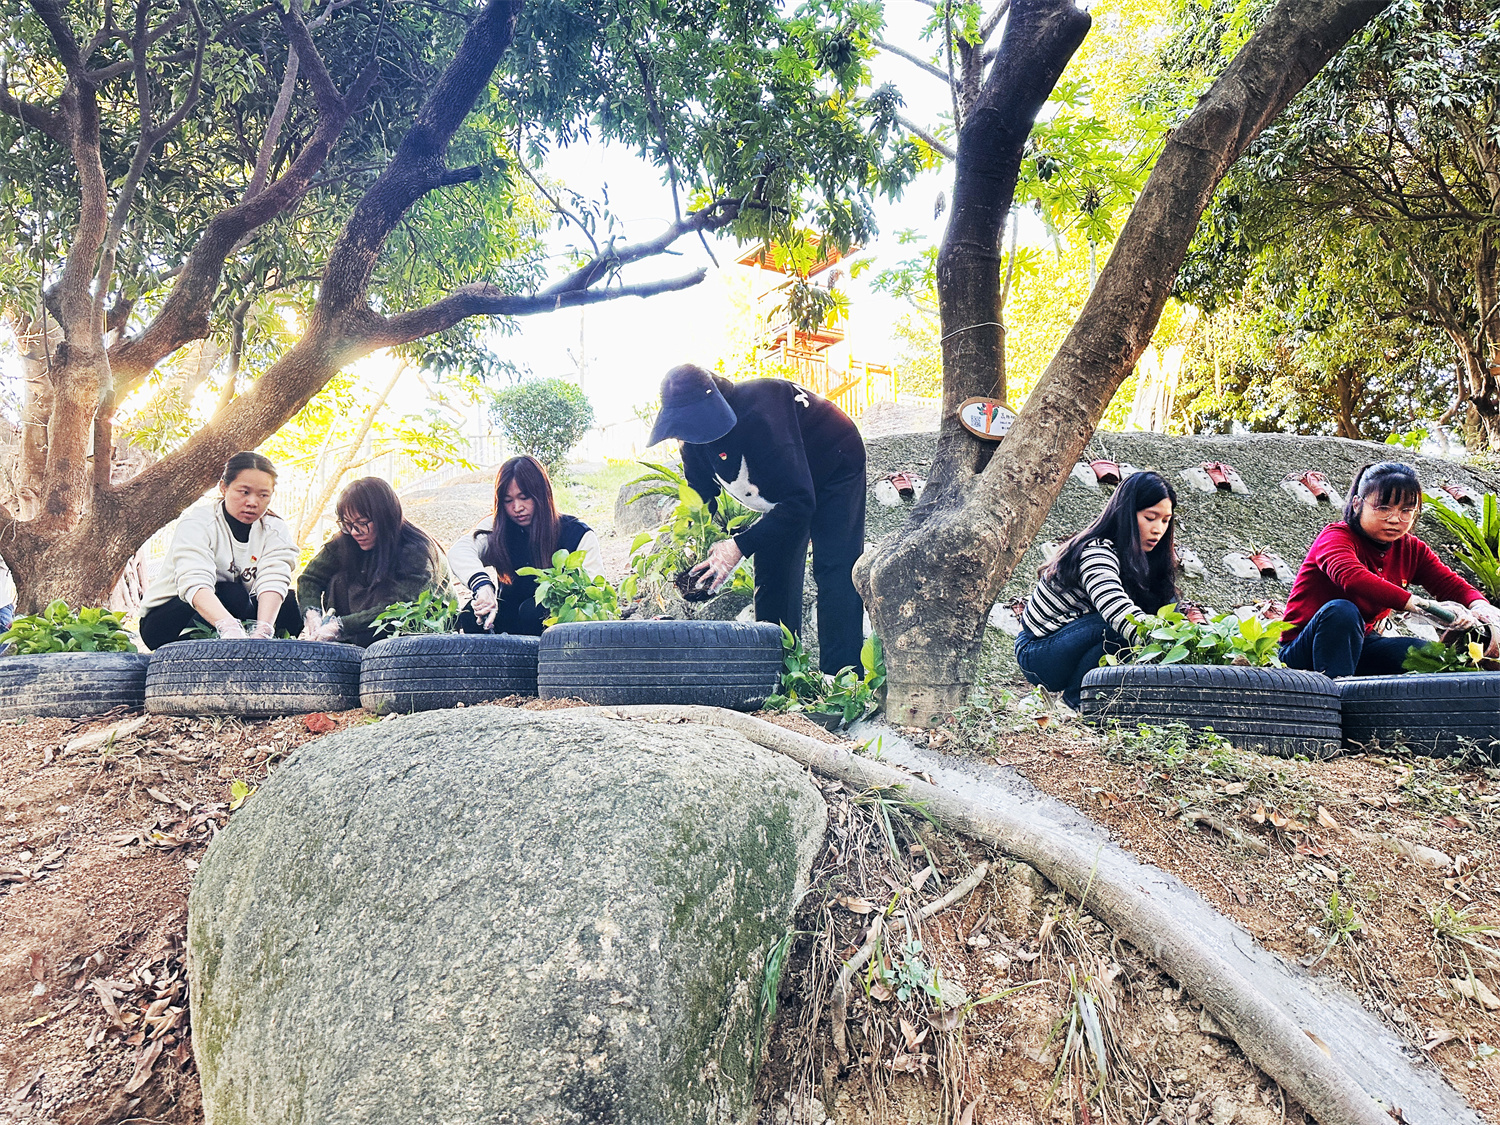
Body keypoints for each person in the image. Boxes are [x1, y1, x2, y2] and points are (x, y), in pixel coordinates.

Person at [648, 364, 867, 674]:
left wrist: (739, 545)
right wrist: (691, 543)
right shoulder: (692, 442)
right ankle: (779, 675)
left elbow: (800, 501)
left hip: (834, 460)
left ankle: (842, 680)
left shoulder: (762, 413)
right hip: (786, 489)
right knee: (772, 574)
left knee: (835, 569)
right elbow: (701, 498)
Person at [1280, 461, 1500, 677]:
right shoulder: (1336, 536)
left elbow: (1449, 584)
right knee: (1341, 611)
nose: (1395, 519)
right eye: (1383, 508)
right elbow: (1352, 577)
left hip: (1361, 645)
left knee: (1429, 657)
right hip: (1304, 650)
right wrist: (1421, 605)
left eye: (1406, 510)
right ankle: (1338, 702)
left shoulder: (1411, 548)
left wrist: (1481, 606)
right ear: (1357, 504)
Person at [1014, 471, 1178, 709]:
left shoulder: (1145, 559)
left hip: (1073, 643)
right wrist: (1167, 642)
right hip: (1038, 653)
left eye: (1165, 520)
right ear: (1127, 514)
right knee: (1120, 625)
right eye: (1150, 517)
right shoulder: (1096, 552)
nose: (1158, 529)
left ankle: (1086, 698)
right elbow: (1115, 608)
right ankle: (1074, 702)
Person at [139, 452, 301, 649]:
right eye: (244, 492)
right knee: (232, 594)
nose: (252, 502)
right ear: (224, 488)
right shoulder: (199, 523)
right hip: (166, 620)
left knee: (290, 603)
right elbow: (194, 582)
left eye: (263, 495)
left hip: (234, 608)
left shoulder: (274, 529)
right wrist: (229, 627)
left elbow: (274, 579)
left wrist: (263, 630)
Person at [448, 455, 601, 636]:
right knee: (471, 614)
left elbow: (594, 595)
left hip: (556, 630)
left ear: (543, 495)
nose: (517, 507)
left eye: (524, 497)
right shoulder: (498, 528)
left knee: (532, 610)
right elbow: (460, 550)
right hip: (509, 623)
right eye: (508, 500)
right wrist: (483, 587)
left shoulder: (577, 535)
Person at [295, 477, 450, 647]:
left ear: (385, 518)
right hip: (361, 628)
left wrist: (341, 626)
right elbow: (310, 578)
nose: (355, 532)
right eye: (347, 524)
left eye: (362, 523)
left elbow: (400, 607)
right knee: (337, 579)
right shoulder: (345, 539)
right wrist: (312, 614)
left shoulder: (417, 550)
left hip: (414, 629)